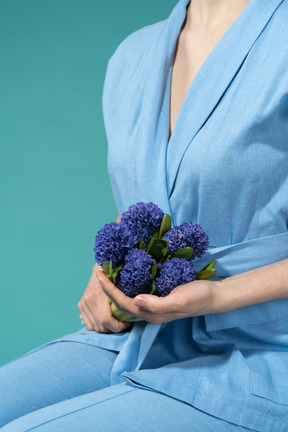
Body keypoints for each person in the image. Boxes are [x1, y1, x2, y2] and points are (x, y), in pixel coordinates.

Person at [1, 0, 288, 430]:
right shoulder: (133, 55)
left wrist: (217, 295)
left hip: (264, 350)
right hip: (141, 335)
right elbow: (146, 205)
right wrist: (108, 276)